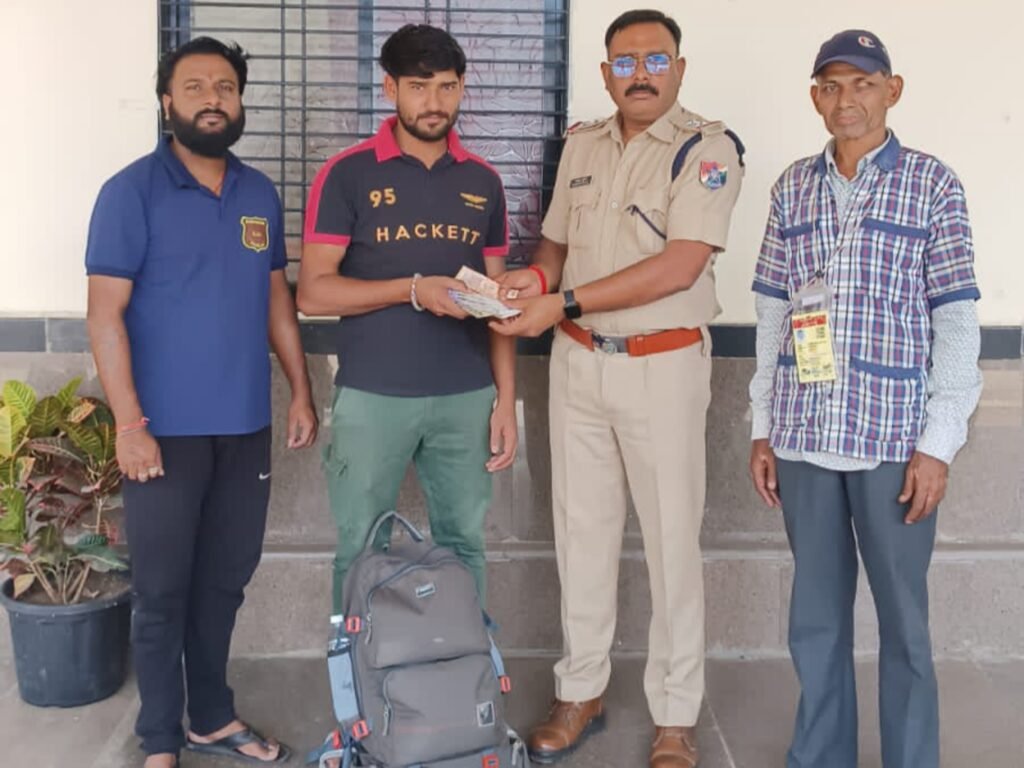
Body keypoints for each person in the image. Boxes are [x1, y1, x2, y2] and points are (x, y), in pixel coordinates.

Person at [492, 9, 744, 767]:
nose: (640, 74)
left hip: (661, 366)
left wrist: (562, 301)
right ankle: (581, 690)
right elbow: (556, 246)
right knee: (581, 534)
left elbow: (680, 265)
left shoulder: (707, 149)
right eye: (625, 62)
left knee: (672, 543)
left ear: (679, 69)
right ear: (605, 74)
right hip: (576, 364)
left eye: (655, 60)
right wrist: (531, 282)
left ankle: (675, 713)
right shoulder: (583, 144)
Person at [748, 29, 982, 768]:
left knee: (905, 623)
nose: (846, 100)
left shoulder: (932, 184)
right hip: (804, 436)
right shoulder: (793, 186)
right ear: (815, 97)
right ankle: (820, 756)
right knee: (815, 621)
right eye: (831, 86)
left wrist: (938, 444)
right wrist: (762, 427)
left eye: (863, 84)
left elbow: (955, 321)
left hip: (893, 444)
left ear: (892, 91)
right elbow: (772, 313)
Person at [85, 37, 317, 768]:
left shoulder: (257, 193)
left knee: (223, 583)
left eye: (225, 87)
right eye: (194, 87)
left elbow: (276, 299)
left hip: (244, 427)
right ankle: (159, 736)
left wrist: (301, 391)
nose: (212, 99)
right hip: (162, 434)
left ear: (240, 102)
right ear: (167, 103)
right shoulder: (130, 193)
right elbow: (103, 316)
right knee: (161, 591)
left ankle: (211, 718)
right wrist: (129, 425)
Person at [298, 24, 517, 613]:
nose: (434, 102)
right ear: (390, 87)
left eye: (447, 87)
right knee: (361, 547)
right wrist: (413, 290)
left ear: (462, 87)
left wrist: (505, 402)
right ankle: (355, 668)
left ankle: (465, 665)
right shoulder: (347, 174)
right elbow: (313, 293)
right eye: (418, 87)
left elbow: (496, 303)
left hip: (466, 397)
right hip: (374, 394)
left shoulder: (483, 181)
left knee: (464, 544)